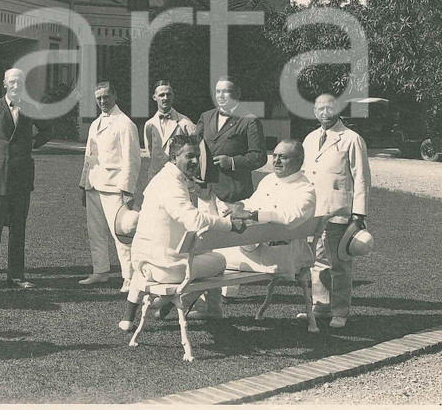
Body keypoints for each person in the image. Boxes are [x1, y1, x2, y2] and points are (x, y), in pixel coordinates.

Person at [120, 134, 248, 330]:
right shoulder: (172, 185)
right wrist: (228, 224)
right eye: (189, 156)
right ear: (173, 158)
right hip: (168, 269)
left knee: (197, 254)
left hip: (142, 262)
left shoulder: (161, 179)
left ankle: (128, 319)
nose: (195, 161)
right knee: (220, 261)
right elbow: (194, 219)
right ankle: (206, 308)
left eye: (197, 156)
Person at [205, 140, 317, 320]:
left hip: (279, 257)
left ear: (298, 161)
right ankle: (203, 306)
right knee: (212, 251)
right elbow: (253, 202)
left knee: (211, 255)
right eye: (275, 156)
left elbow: (291, 217)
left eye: (284, 157)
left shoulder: (305, 189)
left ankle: (205, 308)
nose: (277, 161)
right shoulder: (269, 179)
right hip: (256, 248)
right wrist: (240, 206)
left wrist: (252, 215)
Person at [302, 93, 371, 329]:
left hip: (339, 210)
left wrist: (359, 214)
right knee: (316, 260)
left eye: (328, 107)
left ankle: (340, 310)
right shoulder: (310, 139)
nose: (324, 112)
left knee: (339, 263)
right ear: (314, 111)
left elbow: (361, 178)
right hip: (315, 211)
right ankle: (321, 306)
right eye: (319, 107)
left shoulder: (352, 139)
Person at [0, 68, 49, 291]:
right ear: (5, 84)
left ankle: (16, 276)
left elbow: (47, 130)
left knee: (19, 229)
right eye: (12, 81)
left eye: (19, 81)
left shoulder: (30, 107)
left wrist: (32, 144)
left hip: (22, 178)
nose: (16, 85)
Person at [79, 82, 141, 291]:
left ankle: (130, 277)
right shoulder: (95, 123)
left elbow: (132, 160)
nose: (103, 102)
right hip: (94, 186)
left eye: (106, 97)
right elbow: (89, 158)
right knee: (95, 232)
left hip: (115, 188)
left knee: (121, 234)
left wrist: (127, 190)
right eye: (99, 99)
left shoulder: (125, 123)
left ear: (114, 96)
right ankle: (100, 271)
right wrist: (83, 184)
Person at [195, 76, 267, 203]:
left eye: (226, 91)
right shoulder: (205, 117)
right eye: (218, 92)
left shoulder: (250, 121)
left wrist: (233, 161)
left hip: (233, 194)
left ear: (237, 93)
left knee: (229, 224)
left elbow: (260, 156)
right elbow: (194, 148)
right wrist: (195, 172)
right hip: (205, 191)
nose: (221, 96)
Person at [142, 80, 197, 177]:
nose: (165, 98)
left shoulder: (184, 122)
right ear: (154, 97)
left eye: (168, 94)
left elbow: (196, 149)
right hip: (155, 177)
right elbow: (150, 151)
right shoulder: (149, 124)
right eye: (161, 95)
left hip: (178, 176)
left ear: (173, 96)